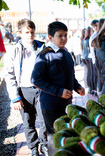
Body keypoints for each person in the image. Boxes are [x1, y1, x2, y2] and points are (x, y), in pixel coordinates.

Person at [31, 21, 85, 154]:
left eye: (66, 35)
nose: (64, 39)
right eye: (60, 35)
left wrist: (77, 87)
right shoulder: (44, 54)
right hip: (50, 105)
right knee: (55, 138)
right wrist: (59, 91)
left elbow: (70, 75)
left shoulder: (66, 53)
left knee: (66, 134)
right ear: (50, 37)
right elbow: (35, 79)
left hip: (66, 103)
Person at [4, 19, 48, 156]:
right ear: (20, 33)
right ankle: (33, 147)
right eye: (27, 32)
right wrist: (15, 97)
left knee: (44, 121)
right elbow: (9, 75)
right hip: (24, 90)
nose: (30, 35)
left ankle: (45, 146)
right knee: (28, 122)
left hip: (40, 90)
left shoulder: (42, 48)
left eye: (32, 32)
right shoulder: (14, 51)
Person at [81, 26, 96, 94]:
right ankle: (92, 88)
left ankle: (89, 88)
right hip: (89, 57)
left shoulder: (83, 40)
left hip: (84, 57)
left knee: (88, 74)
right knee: (92, 74)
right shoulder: (90, 39)